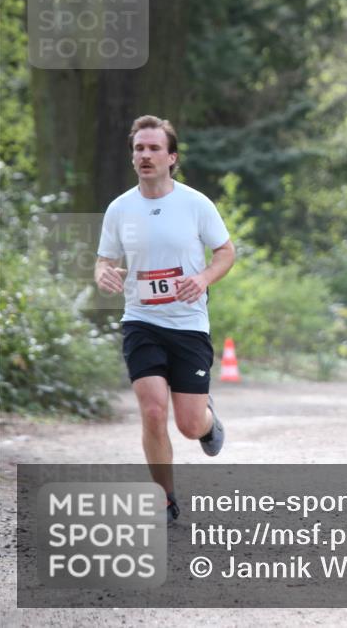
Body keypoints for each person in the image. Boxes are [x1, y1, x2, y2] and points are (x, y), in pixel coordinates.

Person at [95, 115, 236, 523]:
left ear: (171, 157)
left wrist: (204, 277)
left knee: (189, 425)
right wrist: (103, 272)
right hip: (141, 320)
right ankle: (164, 498)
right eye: (139, 148)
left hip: (188, 324)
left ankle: (208, 422)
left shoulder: (195, 204)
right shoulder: (120, 208)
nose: (145, 155)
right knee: (153, 410)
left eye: (154, 148)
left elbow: (226, 251)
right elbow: (104, 259)